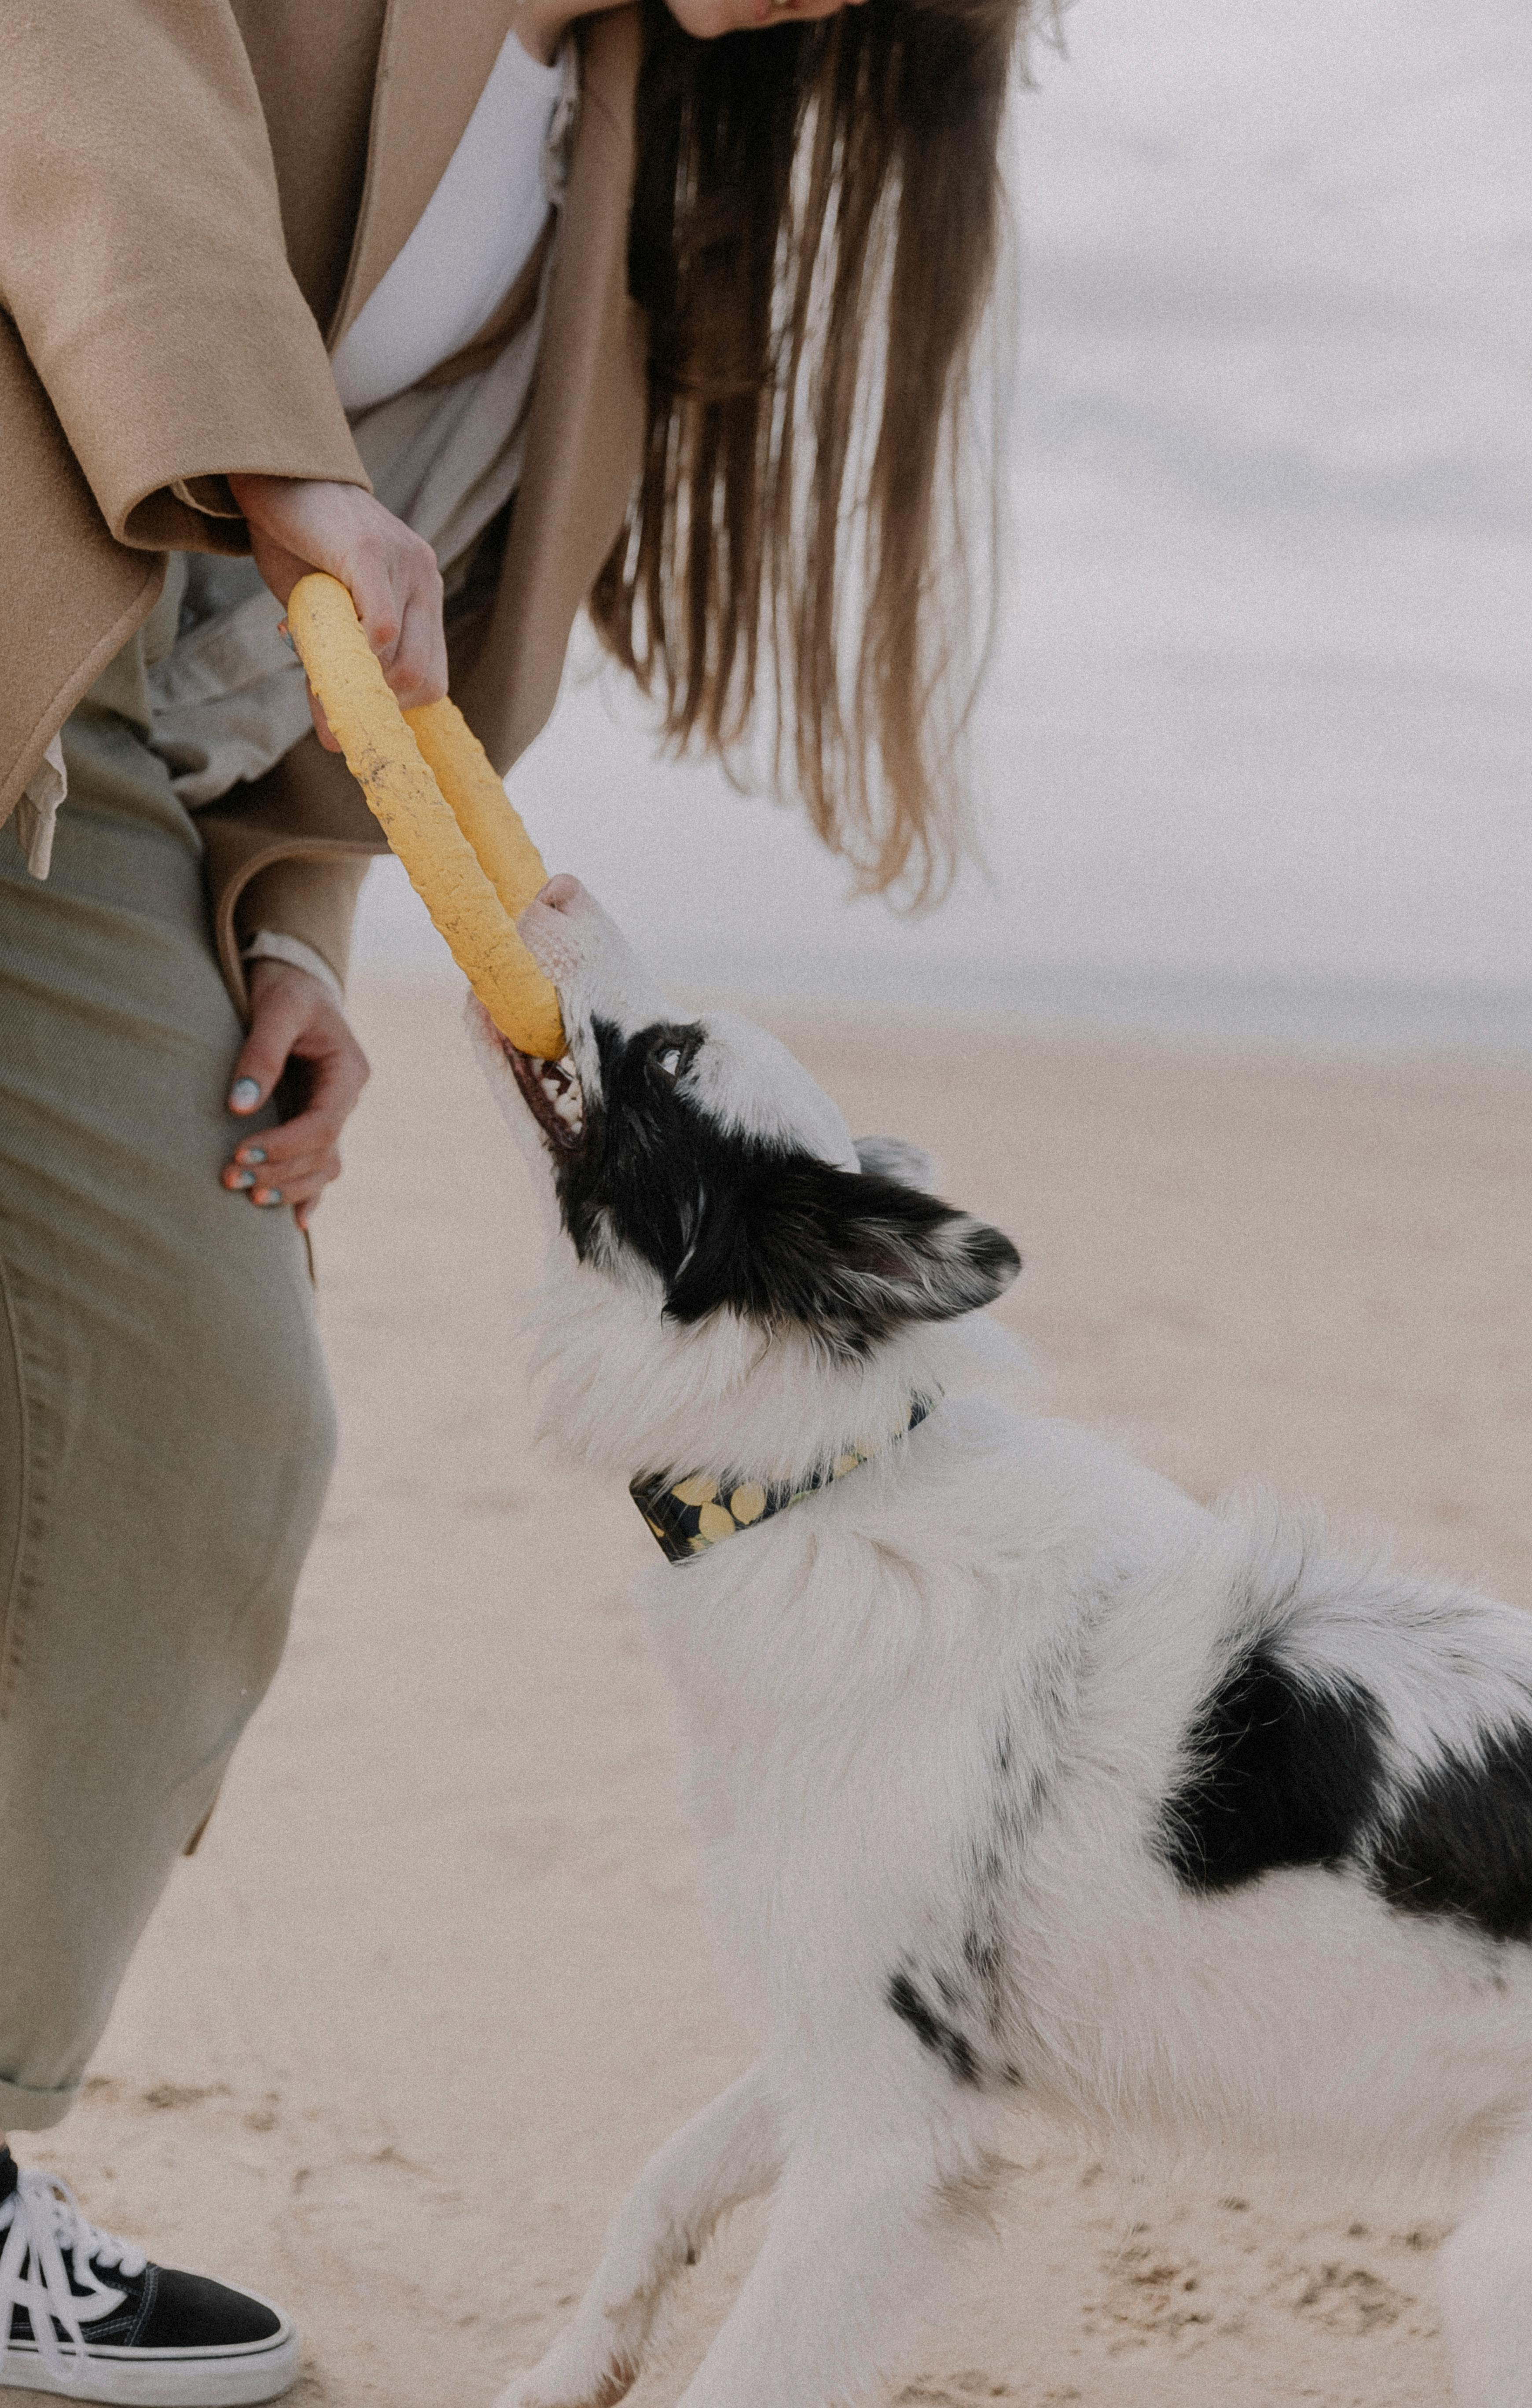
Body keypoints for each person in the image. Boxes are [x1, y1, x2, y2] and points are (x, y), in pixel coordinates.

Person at [0, 0, 1024, 2393]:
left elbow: (326, 658)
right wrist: (267, 462)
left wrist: (284, 921)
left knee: (198, 1430)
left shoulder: (623, 171)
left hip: (114, 795)